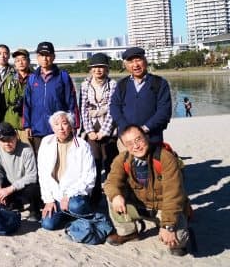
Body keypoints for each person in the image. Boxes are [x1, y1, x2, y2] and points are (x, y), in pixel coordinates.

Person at [104, 125, 190, 256]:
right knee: (112, 196)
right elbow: (111, 182)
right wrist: (116, 196)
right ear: (125, 146)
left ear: (146, 137)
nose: (136, 146)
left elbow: (173, 195)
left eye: (138, 139)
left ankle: (166, 224)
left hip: (163, 207)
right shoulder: (122, 159)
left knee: (177, 241)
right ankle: (129, 233)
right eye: (129, 143)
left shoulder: (165, 158)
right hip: (141, 206)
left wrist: (168, 226)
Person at [38, 111, 96, 231]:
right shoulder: (46, 142)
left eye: (64, 123)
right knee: (47, 224)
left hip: (75, 195)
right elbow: (43, 174)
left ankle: (79, 213)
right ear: (52, 128)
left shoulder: (82, 145)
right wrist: (48, 200)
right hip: (56, 196)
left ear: (71, 125)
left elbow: (90, 177)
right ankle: (68, 215)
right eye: (56, 124)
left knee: (75, 206)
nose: (61, 128)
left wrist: (69, 195)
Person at [23, 41, 79, 154]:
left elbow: (71, 102)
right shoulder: (32, 78)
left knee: (60, 159)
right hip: (37, 129)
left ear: (53, 57)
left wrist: (74, 125)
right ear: (37, 57)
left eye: (48, 55)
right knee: (40, 160)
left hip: (59, 129)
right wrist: (27, 125)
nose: (45, 58)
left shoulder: (63, 76)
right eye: (41, 55)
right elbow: (27, 104)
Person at [79, 52, 119, 207]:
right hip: (91, 128)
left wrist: (104, 131)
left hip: (109, 128)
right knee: (94, 162)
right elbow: (83, 109)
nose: (98, 70)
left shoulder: (113, 84)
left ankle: (112, 194)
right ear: (90, 69)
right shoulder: (85, 85)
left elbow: (113, 108)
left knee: (110, 162)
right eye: (95, 67)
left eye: (101, 67)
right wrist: (89, 131)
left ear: (107, 69)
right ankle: (95, 194)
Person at [110, 47, 172, 145]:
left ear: (145, 61)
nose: (135, 65)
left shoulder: (160, 83)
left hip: (152, 138)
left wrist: (145, 128)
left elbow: (164, 111)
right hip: (127, 139)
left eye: (138, 60)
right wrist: (127, 128)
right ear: (126, 65)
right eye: (130, 61)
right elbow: (114, 107)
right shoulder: (122, 84)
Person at [0, 123, 42, 221]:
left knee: (33, 188)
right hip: (10, 182)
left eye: (9, 139)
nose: (7, 143)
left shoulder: (26, 149)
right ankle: (14, 204)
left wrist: (10, 189)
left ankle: (35, 210)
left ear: (16, 137)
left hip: (24, 185)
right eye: (3, 140)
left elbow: (32, 176)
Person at [3, 48, 32, 145]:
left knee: (29, 151)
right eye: (17, 60)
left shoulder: (35, 79)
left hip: (29, 125)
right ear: (15, 63)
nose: (20, 62)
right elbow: (5, 101)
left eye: (23, 59)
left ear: (28, 61)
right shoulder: (9, 79)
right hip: (11, 123)